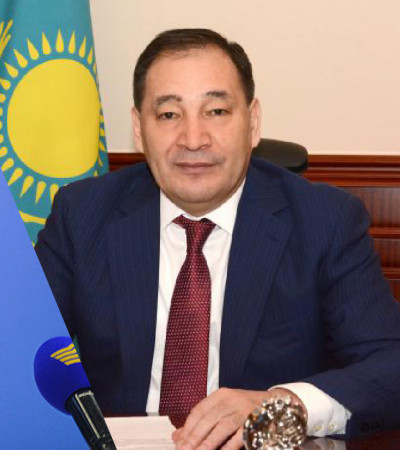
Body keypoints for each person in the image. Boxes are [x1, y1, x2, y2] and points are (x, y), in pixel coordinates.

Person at [35, 28, 400, 450]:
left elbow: (390, 366)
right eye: (169, 115)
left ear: (253, 122)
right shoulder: (82, 215)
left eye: (216, 111)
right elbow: (20, 347)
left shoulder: (324, 221)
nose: (193, 140)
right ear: (138, 128)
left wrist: (279, 405)